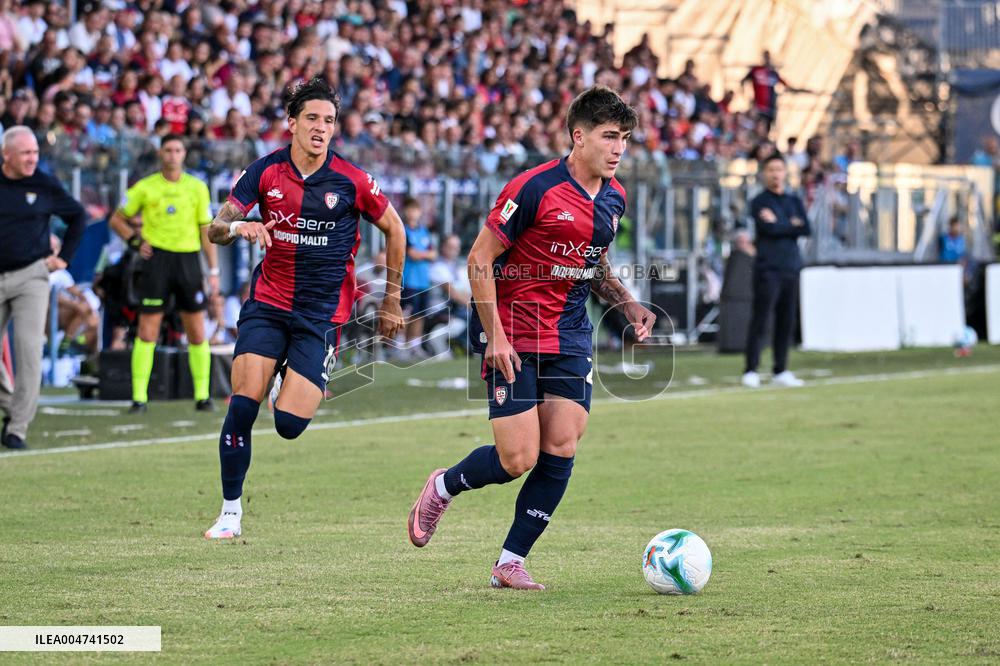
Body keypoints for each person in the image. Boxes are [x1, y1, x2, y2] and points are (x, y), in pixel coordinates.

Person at [407, 86, 655, 590]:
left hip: (569, 332)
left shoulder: (614, 197)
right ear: (578, 136)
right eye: (610, 137)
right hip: (512, 329)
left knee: (561, 443)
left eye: (625, 139)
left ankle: (510, 561)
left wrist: (625, 302)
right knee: (517, 459)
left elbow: (594, 261)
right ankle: (442, 485)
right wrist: (494, 337)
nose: (618, 149)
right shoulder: (534, 187)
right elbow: (479, 260)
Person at [202, 77, 405, 539]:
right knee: (241, 406)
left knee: (290, 425)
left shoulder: (352, 180)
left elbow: (396, 229)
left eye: (329, 121)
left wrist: (391, 300)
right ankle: (230, 512)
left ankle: (287, 383)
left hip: (322, 315)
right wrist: (240, 229)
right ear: (291, 123)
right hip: (268, 304)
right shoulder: (265, 172)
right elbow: (215, 228)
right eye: (311, 118)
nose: (320, 128)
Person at [109, 134, 219, 413]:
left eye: (178, 150)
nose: (173, 155)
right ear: (161, 153)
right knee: (148, 329)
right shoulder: (145, 187)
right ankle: (139, 398)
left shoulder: (197, 187)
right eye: (168, 149)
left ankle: (203, 396)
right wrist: (135, 242)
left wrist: (213, 270)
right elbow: (117, 218)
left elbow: (206, 230)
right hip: (156, 261)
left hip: (188, 261)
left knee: (196, 328)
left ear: (184, 154)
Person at [0, 126, 87, 449]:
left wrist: (63, 257)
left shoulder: (43, 183)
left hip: (31, 276)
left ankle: (16, 428)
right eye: (25, 153)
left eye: (35, 152)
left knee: (28, 349)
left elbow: (78, 216)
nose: (32, 159)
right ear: (6, 155)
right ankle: (12, 406)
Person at [742, 153, 811, 389]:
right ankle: (751, 369)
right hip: (767, 268)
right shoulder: (759, 201)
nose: (775, 174)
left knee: (786, 320)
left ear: (785, 172)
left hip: (791, 267)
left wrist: (779, 223)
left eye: (779, 169)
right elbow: (767, 229)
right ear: (764, 173)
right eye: (771, 169)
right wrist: (789, 225)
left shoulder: (794, 200)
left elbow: (806, 228)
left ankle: (780, 369)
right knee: (761, 319)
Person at [400, 196, 435, 359]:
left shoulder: (424, 231)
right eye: (410, 209)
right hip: (409, 280)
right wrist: (425, 255)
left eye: (415, 209)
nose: (413, 213)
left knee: (420, 314)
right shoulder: (403, 231)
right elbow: (412, 254)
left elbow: (434, 254)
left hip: (423, 281)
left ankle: (415, 345)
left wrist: (424, 255)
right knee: (405, 313)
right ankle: (399, 345)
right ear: (405, 212)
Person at [741, 51, 807, 134]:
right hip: (758, 107)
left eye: (769, 57)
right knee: (756, 128)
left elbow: (787, 86)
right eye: (765, 57)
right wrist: (746, 96)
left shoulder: (773, 74)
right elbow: (743, 81)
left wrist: (801, 90)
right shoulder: (756, 70)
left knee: (766, 130)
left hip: (770, 108)